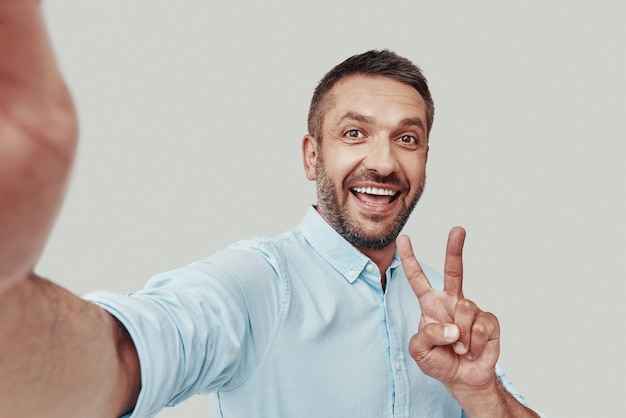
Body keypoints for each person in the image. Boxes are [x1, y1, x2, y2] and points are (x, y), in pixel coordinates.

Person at [0, 2, 544, 417]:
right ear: (312, 156)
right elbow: (123, 354)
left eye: (408, 139)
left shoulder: (439, 313)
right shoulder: (258, 283)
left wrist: (480, 392)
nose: (382, 162)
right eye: (354, 133)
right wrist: (11, 303)